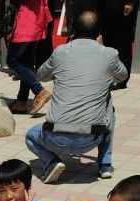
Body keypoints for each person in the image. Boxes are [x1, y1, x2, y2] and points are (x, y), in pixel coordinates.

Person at [26, 10, 124, 184]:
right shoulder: (109, 54)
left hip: (54, 137)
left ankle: (52, 162)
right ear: (99, 34)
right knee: (109, 106)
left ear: (72, 31)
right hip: (90, 138)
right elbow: (123, 75)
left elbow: (40, 75)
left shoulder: (60, 52)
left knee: (30, 135)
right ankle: (105, 165)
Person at [7, 0, 54, 114]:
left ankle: (39, 91)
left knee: (13, 60)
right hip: (35, 20)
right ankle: (21, 101)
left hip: (27, 21)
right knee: (26, 62)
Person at [98, 0, 137, 88]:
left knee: (122, 46)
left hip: (123, 9)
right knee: (107, 44)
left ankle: (121, 81)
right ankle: (109, 78)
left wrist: (131, 3)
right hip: (106, 11)